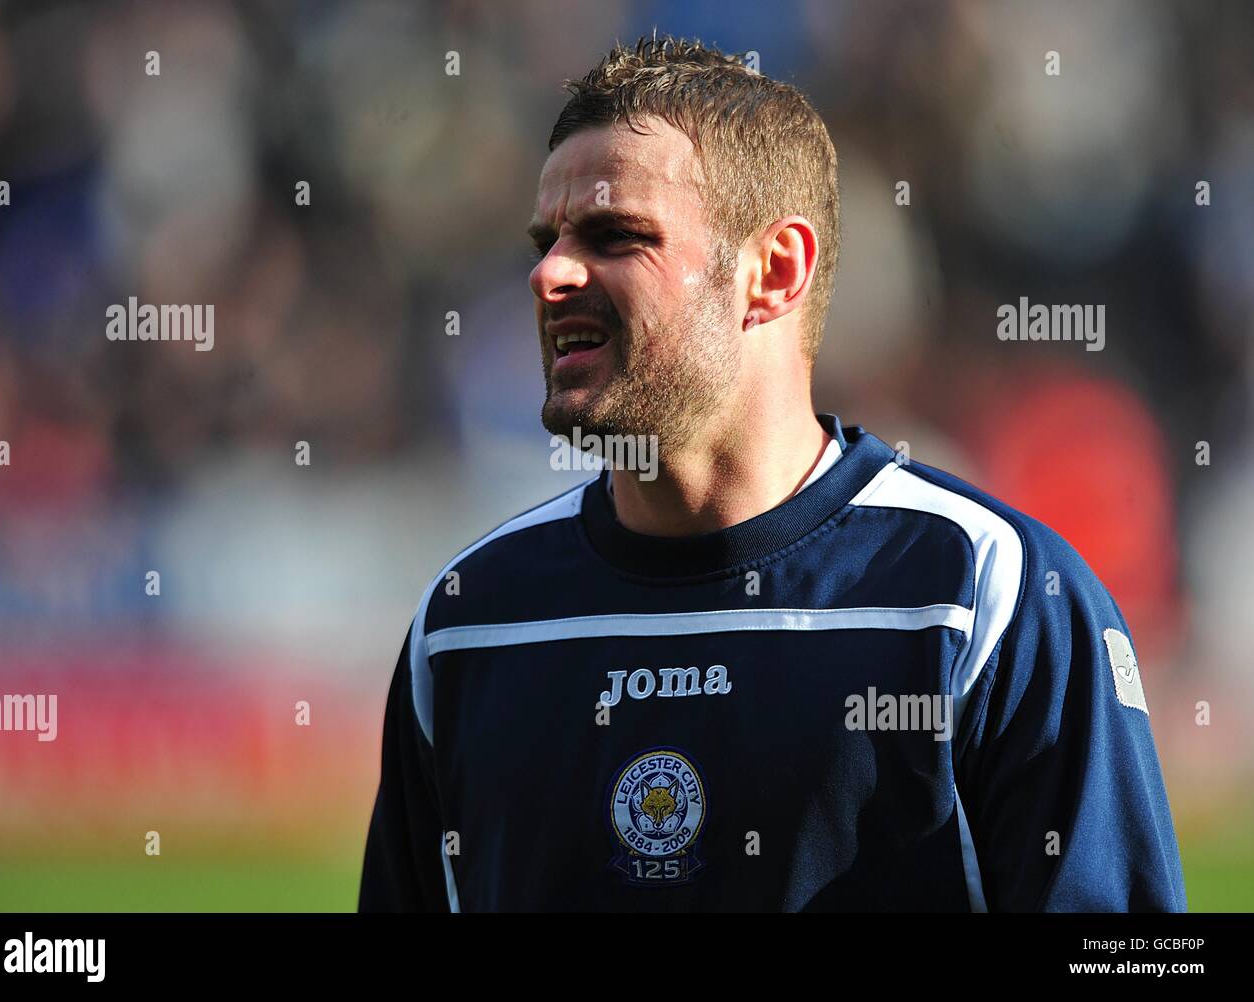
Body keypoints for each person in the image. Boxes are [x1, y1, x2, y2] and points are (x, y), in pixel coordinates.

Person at [358, 34, 1186, 912]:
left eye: (613, 235)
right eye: (548, 238)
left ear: (774, 270)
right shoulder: (471, 623)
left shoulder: (987, 593)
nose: (550, 273)